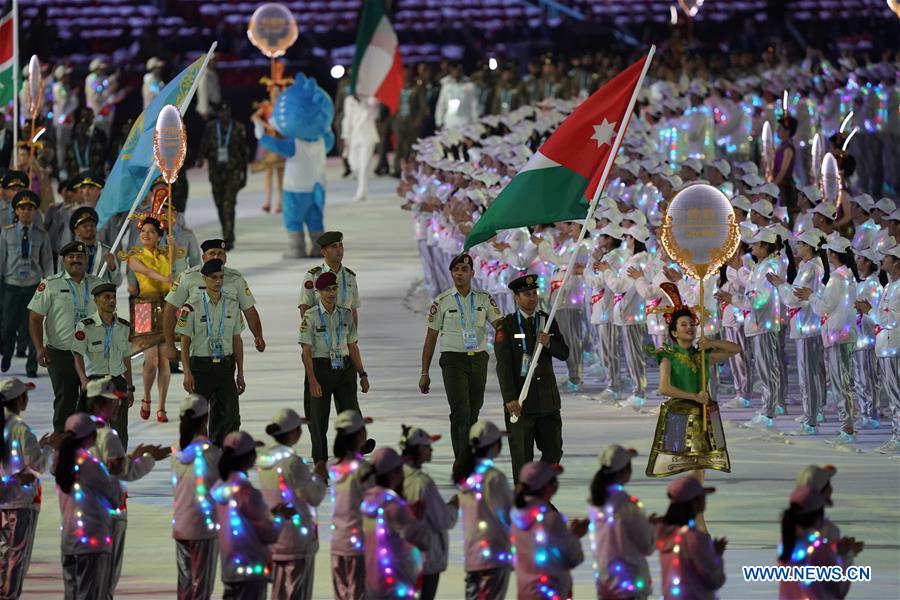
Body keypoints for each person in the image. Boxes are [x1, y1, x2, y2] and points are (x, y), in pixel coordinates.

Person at [85, 376, 170, 600]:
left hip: (85, 512)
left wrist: (131, 456)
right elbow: (126, 472)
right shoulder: (107, 436)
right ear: (96, 405)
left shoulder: (80, 434)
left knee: (88, 579)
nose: (116, 406)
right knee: (105, 579)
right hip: (108, 515)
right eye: (111, 402)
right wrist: (150, 458)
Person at [420, 254, 502, 458]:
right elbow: (431, 337)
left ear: (472, 273)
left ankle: (471, 454)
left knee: (473, 411)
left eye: (464, 270)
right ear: (451, 273)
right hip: (453, 360)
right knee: (461, 412)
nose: (460, 274)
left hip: (479, 359)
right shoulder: (442, 301)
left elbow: (499, 325)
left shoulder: (484, 298)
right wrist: (424, 372)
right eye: (456, 270)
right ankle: (461, 460)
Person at [494, 274, 569, 482]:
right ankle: (524, 499)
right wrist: (509, 398)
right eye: (527, 294)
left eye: (534, 293)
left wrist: (548, 343)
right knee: (522, 459)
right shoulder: (507, 326)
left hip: (547, 402)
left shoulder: (547, 320)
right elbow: (503, 366)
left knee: (554, 453)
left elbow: (564, 353)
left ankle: (538, 487)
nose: (532, 298)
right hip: (521, 402)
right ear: (517, 297)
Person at [715, 227, 787, 428]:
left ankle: (768, 412)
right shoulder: (761, 265)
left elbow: (759, 299)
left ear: (765, 246)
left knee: (767, 369)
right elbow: (751, 288)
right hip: (758, 323)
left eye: (755, 244)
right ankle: (767, 409)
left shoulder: (770, 265)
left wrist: (733, 299)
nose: (751, 247)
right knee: (764, 368)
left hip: (763, 323)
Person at [28, 241, 102, 432]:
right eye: (71, 257)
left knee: (92, 402)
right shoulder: (50, 284)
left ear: (86, 259)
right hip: (61, 353)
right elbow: (35, 318)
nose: (75, 260)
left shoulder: (98, 285)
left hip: (90, 355)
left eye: (80, 256)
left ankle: (87, 447)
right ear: (63, 260)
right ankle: (61, 446)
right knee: (65, 401)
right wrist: (39, 348)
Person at [300, 271, 369, 472]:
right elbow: (306, 351)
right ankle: (320, 461)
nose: (331, 293)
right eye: (327, 290)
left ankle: (352, 457)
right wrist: (312, 380)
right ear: (319, 292)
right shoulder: (310, 316)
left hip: (345, 369)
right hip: (321, 369)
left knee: (351, 416)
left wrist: (362, 373)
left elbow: (353, 345)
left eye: (334, 289)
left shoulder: (345, 314)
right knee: (318, 420)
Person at [258, 408, 326, 600]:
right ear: (294, 433)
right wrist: (319, 476)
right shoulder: (294, 463)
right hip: (297, 541)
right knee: (298, 593)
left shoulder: (264, 461)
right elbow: (314, 496)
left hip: (276, 538)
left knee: (279, 592)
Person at [177, 259, 246, 447]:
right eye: (214, 278)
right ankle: (199, 455)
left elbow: (236, 339)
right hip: (201, 367)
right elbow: (185, 340)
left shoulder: (232, 305)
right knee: (198, 417)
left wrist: (240, 373)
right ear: (204, 279)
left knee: (231, 418)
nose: (218, 281)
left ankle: (226, 455)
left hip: (225, 367)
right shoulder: (191, 306)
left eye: (221, 277)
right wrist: (187, 372)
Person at [211, 431, 287, 600]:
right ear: (249, 459)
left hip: (230, 567)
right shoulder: (248, 493)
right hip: (250, 569)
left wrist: (269, 513)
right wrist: (279, 518)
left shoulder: (219, 487)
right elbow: (269, 535)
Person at [54, 413, 123, 600]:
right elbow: (115, 500)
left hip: (69, 540)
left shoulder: (60, 462)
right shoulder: (90, 464)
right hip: (92, 542)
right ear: (90, 436)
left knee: (72, 594)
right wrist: (114, 474)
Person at [798, 232, 859, 444]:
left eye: (829, 253)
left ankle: (847, 428)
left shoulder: (836, 278)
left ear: (834, 255)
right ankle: (848, 425)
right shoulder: (849, 275)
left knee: (841, 383)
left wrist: (810, 296)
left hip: (837, 335)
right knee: (845, 381)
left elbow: (823, 306)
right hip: (846, 333)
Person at [163, 239, 264, 366]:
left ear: (225, 258)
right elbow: (169, 310)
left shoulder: (235, 279)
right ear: (203, 257)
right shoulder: (188, 278)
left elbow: (249, 310)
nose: (216, 256)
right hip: (197, 352)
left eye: (220, 253)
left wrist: (258, 336)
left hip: (226, 352)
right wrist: (170, 345)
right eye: (212, 253)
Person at [767, 229, 827, 434]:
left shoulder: (811, 268)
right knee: (809, 372)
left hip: (807, 325)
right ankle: (811, 411)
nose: (796, 247)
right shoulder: (807, 266)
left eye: (800, 244)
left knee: (808, 374)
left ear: (809, 247)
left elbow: (793, 298)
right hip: (804, 324)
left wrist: (779, 285)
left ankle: (811, 419)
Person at [0, 377, 55, 599]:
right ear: (19, 399)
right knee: (16, 558)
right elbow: (38, 465)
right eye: (25, 395)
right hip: (20, 503)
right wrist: (50, 448)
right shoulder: (20, 428)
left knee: (4, 555)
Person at [452, 420, 513, 600]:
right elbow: (508, 515)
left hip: (473, 556)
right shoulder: (493, 478)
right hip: (494, 556)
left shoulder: (466, 478)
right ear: (494, 446)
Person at [511, 461, 586, 600]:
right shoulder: (551, 520)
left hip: (525, 592)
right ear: (547, 487)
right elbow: (573, 558)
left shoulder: (514, 517)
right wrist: (574, 536)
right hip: (550, 593)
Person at [588, 445, 656, 599]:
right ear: (625, 471)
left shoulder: (595, 504)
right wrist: (652, 527)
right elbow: (646, 545)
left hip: (606, 584)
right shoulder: (627, 505)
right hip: (629, 585)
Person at [361, 447, 430, 598]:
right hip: (395, 584)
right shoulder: (393, 505)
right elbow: (419, 538)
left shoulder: (366, 502)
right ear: (393, 472)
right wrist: (418, 518)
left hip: (370, 581)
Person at [72, 283, 135, 447]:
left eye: (113, 297)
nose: (112, 300)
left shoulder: (123, 326)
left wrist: (130, 387)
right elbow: (77, 354)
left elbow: (126, 358)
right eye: (106, 297)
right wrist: (84, 380)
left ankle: (118, 466)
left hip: (117, 383)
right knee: (91, 431)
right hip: (95, 384)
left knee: (120, 431)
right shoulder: (85, 326)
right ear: (96, 300)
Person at [171, 394, 221, 600]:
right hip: (203, 527)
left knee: (185, 582)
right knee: (201, 585)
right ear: (205, 420)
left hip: (181, 524)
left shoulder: (177, 451)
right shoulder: (210, 453)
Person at [399, 425, 458, 600]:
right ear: (416, 449)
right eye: (426, 446)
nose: (431, 449)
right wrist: (454, 505)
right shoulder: (422, 483)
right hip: (425, 559)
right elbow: (443, 520)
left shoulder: (396, 476)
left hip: (401, 557)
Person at [124, 217, 172, 422]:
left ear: (159, 236)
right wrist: (164, 279)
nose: (145, 234)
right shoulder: (134, 256)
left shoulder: (167, 253)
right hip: (144, 306)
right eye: (143, 230)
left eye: (152, 231)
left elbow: (175, 258)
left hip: (167, 306)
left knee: (165, 360)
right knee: (150, 360)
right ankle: (146, 397)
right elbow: (146, 272)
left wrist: (173, 240)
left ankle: (161, 406)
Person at [0, 191, 53, 377]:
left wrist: (48, 286)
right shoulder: (6, 233)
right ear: (16, 211)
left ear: (35, 211)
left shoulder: (41, 234)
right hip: (11, 285)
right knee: (7, 326)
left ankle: (32, 365)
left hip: (33, 286)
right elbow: (2, 259)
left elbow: (47, 262)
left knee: (33, 328)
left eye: (30, 209)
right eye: (22, 208)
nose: (26, 212)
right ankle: (6, 353)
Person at [777, 486, 855, 600]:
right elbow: (839, 590)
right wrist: (846, 556)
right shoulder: (819, 549)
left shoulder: (785, 544)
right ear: (818, 517)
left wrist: (834, 549)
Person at [655, 476, 726, 599]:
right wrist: (717, 556)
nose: (705, 501)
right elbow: (714, 580)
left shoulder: (663, 534)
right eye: (702, 497)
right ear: (694, 503)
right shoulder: (695, 538)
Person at [329, 410, 374, 599]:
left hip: (338, 541)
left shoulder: (334, 467)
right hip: (358, 543)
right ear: (358, 435)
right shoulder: (363, 470)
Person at [860, 239, 900, 454]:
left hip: (894, 346)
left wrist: (870, 311)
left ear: (897, 263)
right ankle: (896, 435)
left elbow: (893, 319)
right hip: (885, 347)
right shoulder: (889, 286)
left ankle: (898, 437)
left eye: (887, 257)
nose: (883, 260)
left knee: (896, 395)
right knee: (893, 395)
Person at [199, 104, 249, 251]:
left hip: (232, 171)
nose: (225, 114)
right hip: (216, 172)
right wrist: (201, 157)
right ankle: (226, 231)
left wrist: (244, 175)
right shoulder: (211, 127)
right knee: (220, 204)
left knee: (229, 204)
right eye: (222, 111)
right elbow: (204, 146)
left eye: (227, 111)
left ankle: (228, 238)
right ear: (218, 113)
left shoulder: (238, 128)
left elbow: (244, 153)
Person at [298, 231, 361, 324]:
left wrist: (354, 336)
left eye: (341, 245)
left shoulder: (350, 276)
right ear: (323, 252)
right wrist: (312, 333)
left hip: (343, 335)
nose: (339, 250)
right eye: (334, 246)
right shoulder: (313, 276)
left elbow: (353, 311)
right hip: (322, 334)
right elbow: (304, 307)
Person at [66, 206, 122, 286]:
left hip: (100, 297)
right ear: (76, 231)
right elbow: (61, 282)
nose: (89, 228)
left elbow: (118, 283)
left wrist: (112, 267)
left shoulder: (106, 251)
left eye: (92, 225)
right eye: (85, 226)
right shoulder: (68, 253)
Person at [340, 94, 380, 202]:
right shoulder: (349, 100)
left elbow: (376, 112)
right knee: (354, 166)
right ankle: (363, 185)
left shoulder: (371, 99)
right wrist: (345, 137)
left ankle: (362, 192)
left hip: (367, 137)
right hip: (354, 137)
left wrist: (367, 101)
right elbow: (347, 119)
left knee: (363, 166)